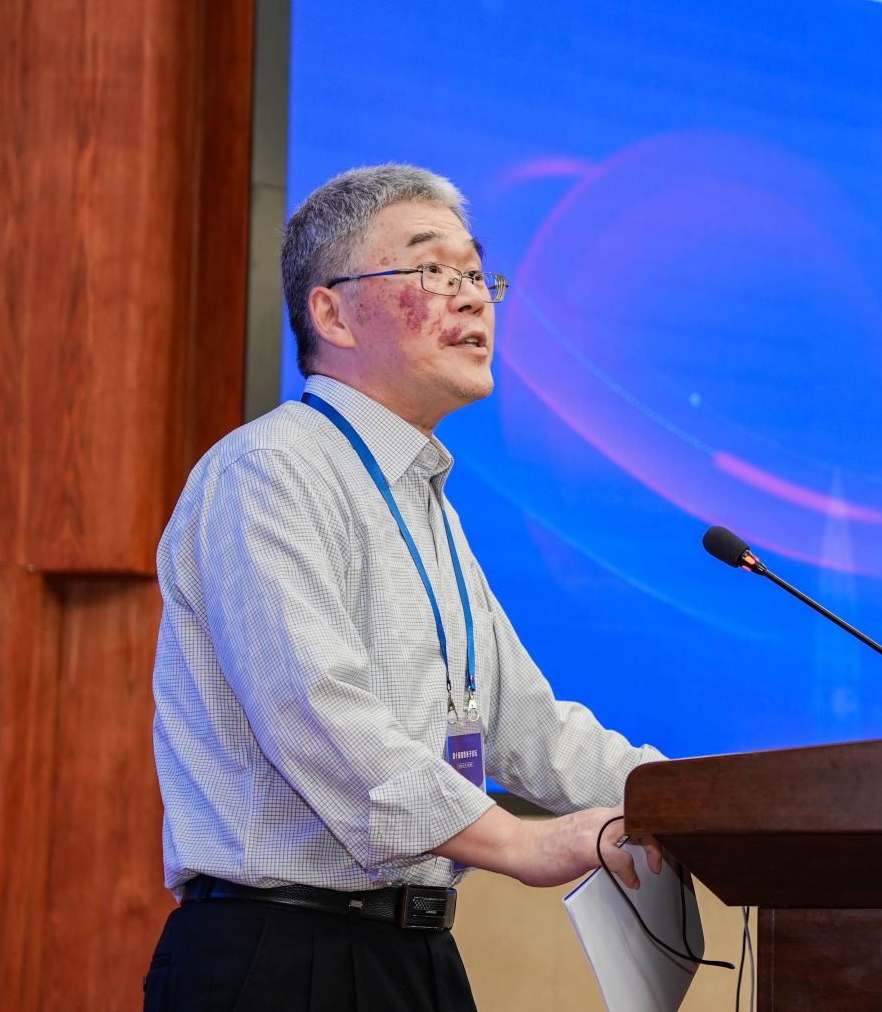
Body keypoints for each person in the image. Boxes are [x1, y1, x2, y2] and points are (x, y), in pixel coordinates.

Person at [145, 164, 664, 1011]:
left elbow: (528, 726)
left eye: (477, 274)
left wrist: (695, 800)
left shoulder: (425, 501)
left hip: (416, 955)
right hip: (282, 958)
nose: (473, 299)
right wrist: (519, 843)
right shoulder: (268, 470)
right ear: (332, 313)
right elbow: (320, 716)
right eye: (434, 271)